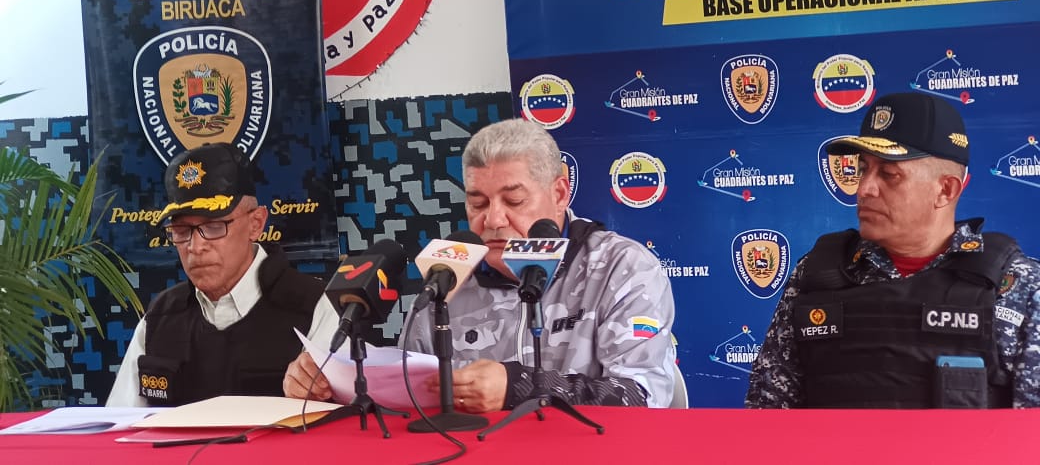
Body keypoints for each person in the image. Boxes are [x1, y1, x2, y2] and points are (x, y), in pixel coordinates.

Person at [283, 118, 677, 410]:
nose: (493, 220)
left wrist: (519, 386)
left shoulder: (622, 268)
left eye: (514, 200)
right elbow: (406, 400)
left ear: (559, 193)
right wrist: (330, 386)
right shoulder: (448, 275)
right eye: (477, 202)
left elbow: (641, 397)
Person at [746, 91, 1040, 409]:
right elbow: (767, 417)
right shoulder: (817, 273)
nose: (864, 189)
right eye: (863, 170)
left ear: (945, 189)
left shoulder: (1019, 287)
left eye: (889, 174)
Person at [107, 142, 324, 407]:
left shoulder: (316, 308)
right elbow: (122, 423)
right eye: (181, 231)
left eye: (213, 226)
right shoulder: (159, 319)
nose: (195, 247)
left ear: (256, 223)